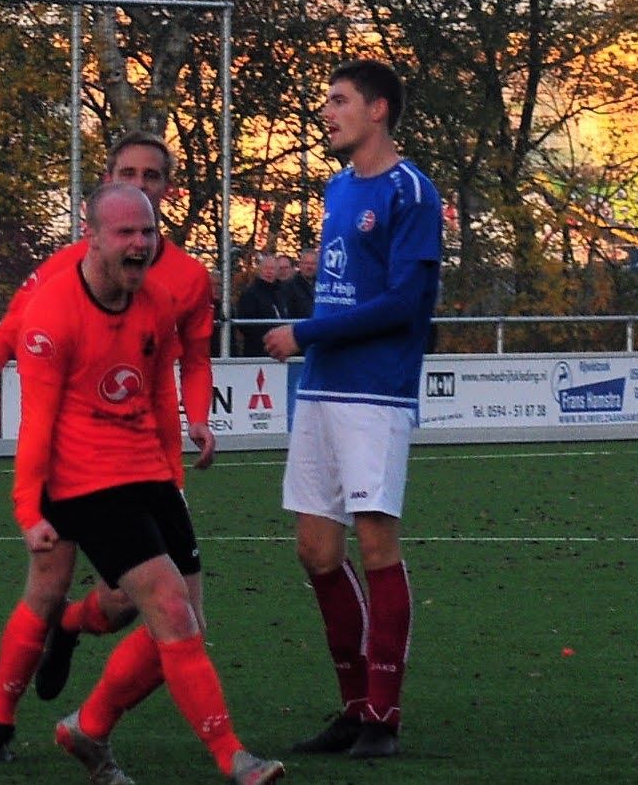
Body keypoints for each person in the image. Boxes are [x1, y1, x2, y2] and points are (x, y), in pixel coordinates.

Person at [12, 182, 281, 785]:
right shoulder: (53, 313)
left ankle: (89, 727)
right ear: (93, 236)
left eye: (149, 233)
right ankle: (234, 758)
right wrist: (29, 510)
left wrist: (179, 453)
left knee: (187, 625)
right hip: (84, 481)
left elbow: (159, 388)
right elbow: (36, 422)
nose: (141, 244)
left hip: (148, 473)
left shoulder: (157, 304)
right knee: (169, 608)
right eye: (126, 233)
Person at [0, 132, 217, 763]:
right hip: (73, 459)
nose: (143, 182)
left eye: (153, 175)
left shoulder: (186, 279)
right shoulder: (65, 267)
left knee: (137, 602)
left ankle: (72, 633)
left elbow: (193, 357)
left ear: (166, 190)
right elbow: (17, 322)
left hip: (142, 460)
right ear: (103, 199)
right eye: (128, 172)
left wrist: (196, 420)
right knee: (49, 589)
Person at [264, 59, 441, 760]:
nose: (327, 111)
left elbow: (406, 303)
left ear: (378, 109)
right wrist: (317, 273)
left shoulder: (410, 190)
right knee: (316, 551)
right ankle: (350, 705)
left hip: (374, 391)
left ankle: (383, 713)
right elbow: (354, 280)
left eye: (338, 100)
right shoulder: (338, 188)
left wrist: (304, 331)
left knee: (374, 547)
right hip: (322, 389)